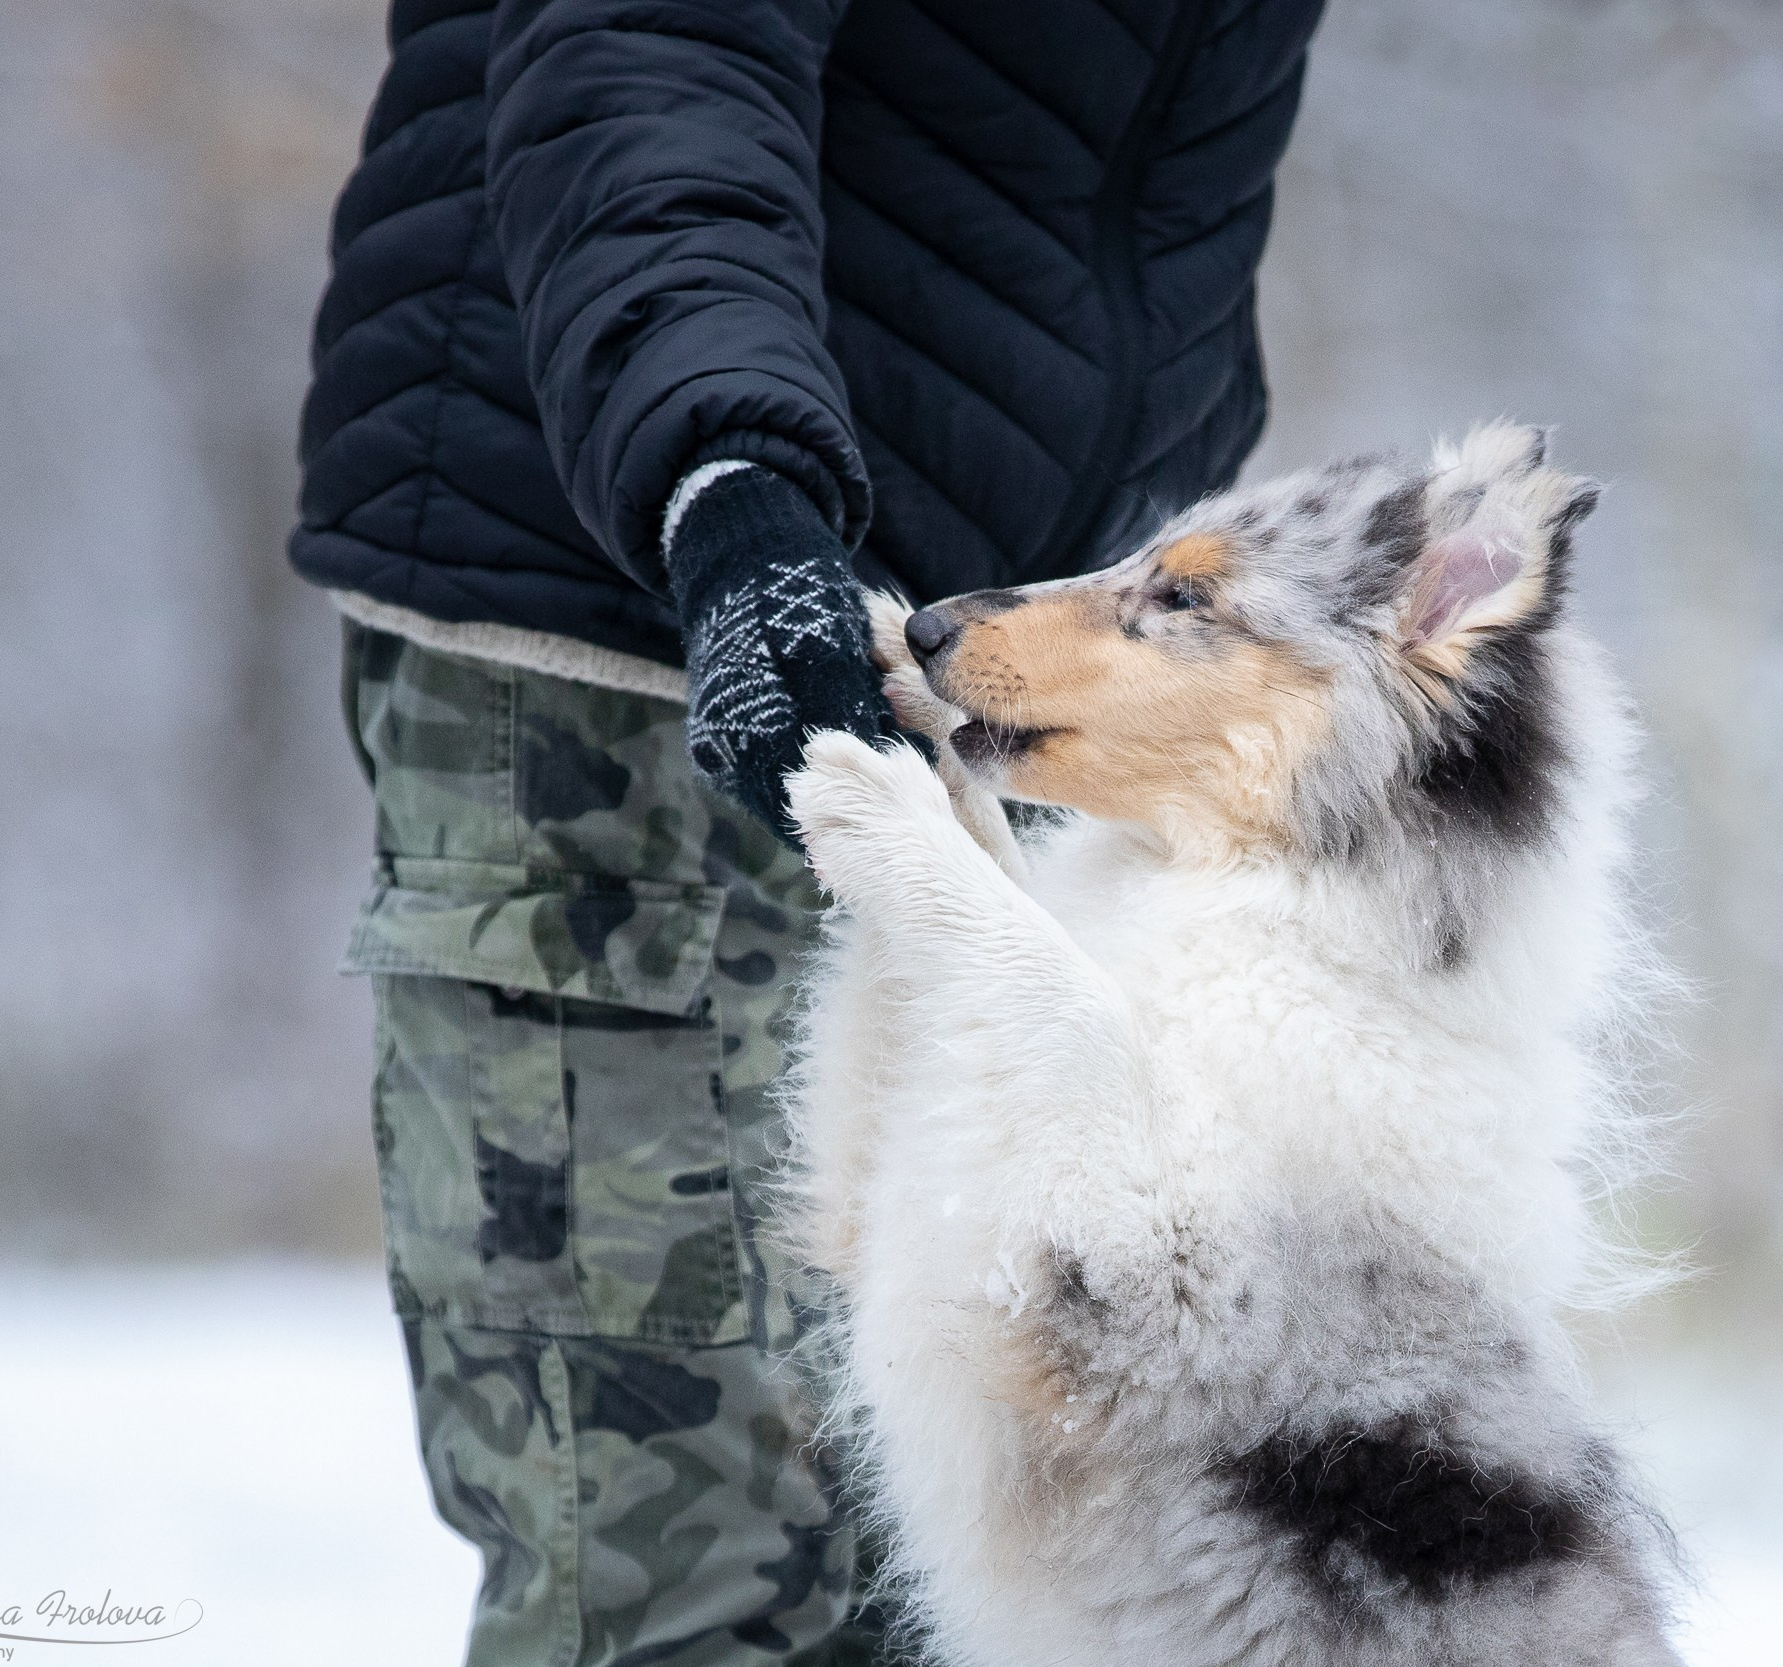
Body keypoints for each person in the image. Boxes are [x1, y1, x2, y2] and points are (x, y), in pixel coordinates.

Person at [290, 1, 1328, 1659]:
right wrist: (727, 480)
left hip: (974, 690)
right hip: (646, 632)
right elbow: (647, 44)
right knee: (691, 1589)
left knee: (935, 1574)